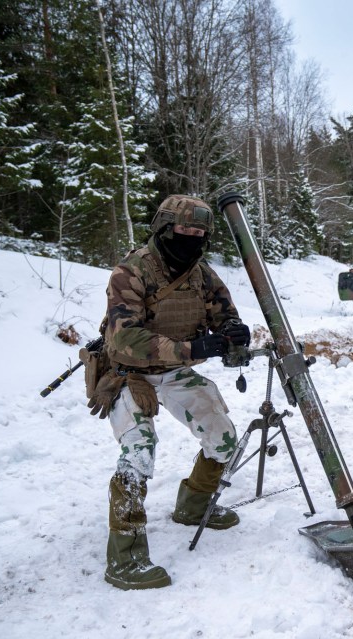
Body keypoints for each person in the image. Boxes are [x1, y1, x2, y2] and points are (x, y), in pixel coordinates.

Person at [87, 195, 251, 590]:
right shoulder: (131, 270)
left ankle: (193, 508)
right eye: (183, 231)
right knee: (139, 454)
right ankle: (124, 558)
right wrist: (193, 349)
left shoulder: (201, 274)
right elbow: (125, 339)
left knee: (224, 438)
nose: (191, 238)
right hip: (129, 374)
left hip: (175, 372)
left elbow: (224, 313)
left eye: (198, 233)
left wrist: (233, 332)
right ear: (164, 229)